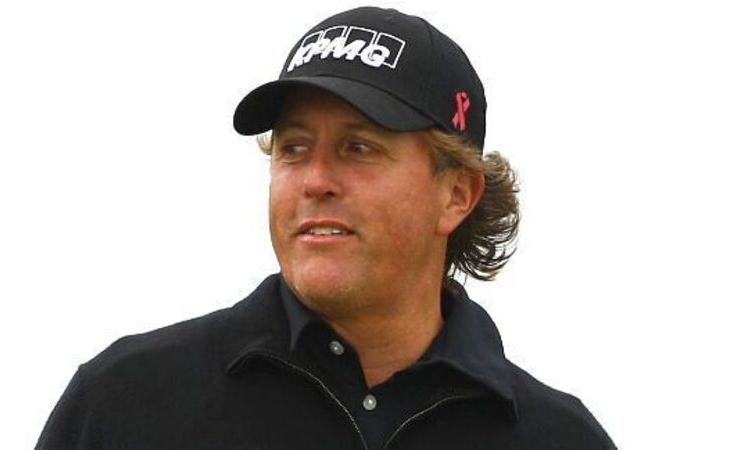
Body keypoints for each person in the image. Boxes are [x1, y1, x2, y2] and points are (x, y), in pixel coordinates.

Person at [35, 6, 617, 450]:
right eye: (293, 148)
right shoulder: (125, 404)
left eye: (358, 147)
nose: (315, 180)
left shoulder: (562, 440)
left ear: (456, 194)